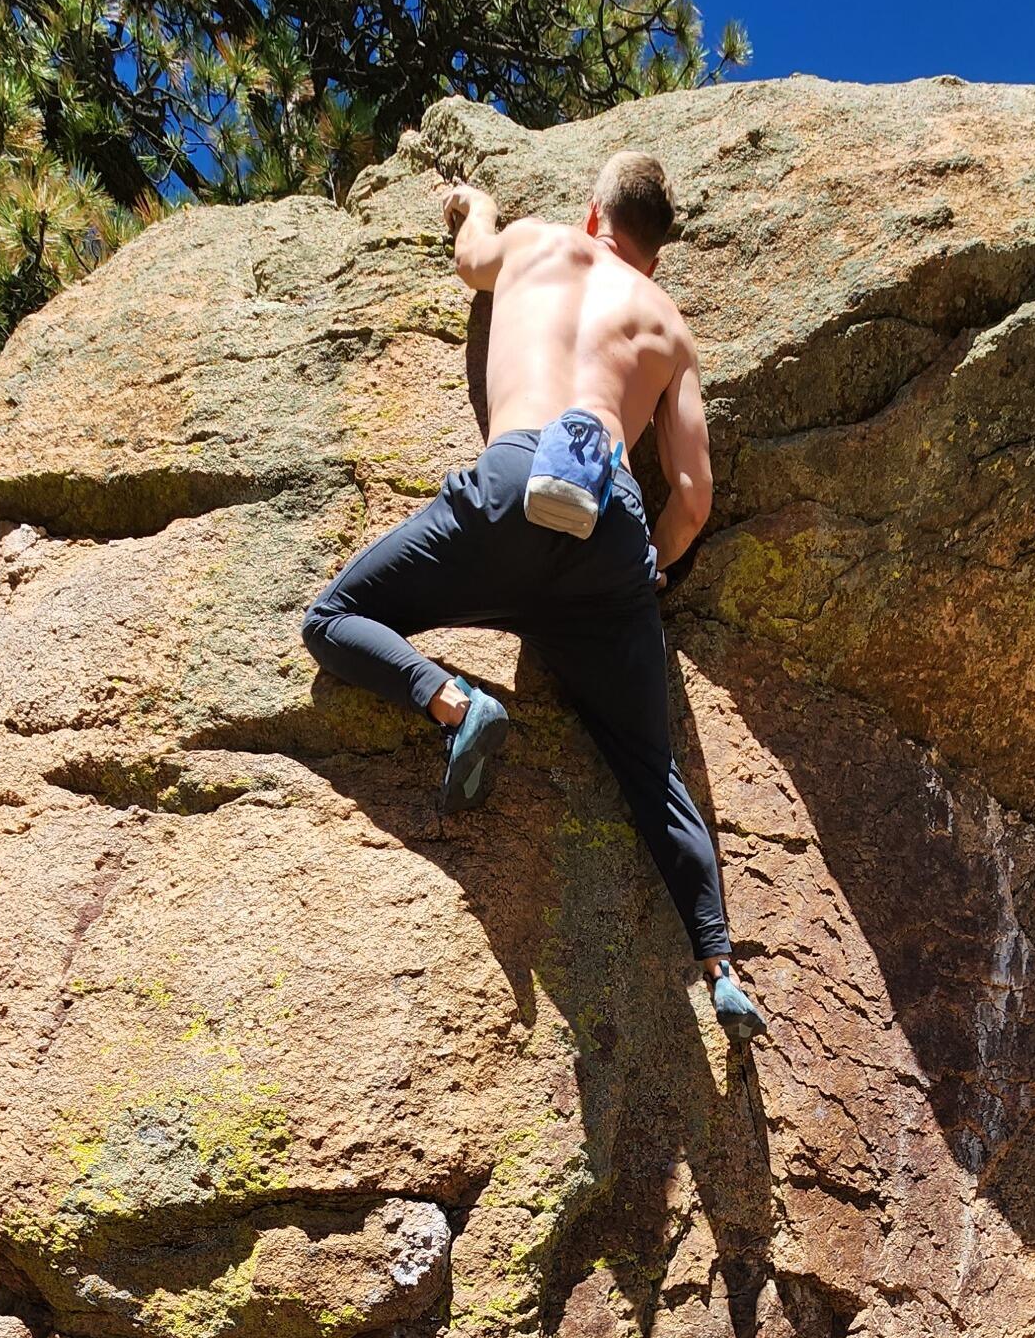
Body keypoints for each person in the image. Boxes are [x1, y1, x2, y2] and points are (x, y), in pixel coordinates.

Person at [301, 151, 767, 1040]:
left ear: (593, 215)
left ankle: (451, 702)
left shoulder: (534, 242)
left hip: (515, 483)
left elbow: (468, 256)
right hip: (608, 534)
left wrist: (470, 203)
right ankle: (719, 969)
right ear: (653, 254)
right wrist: (648, 573)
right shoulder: (668, 326)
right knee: (649, 770)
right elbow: (693, 497)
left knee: (332, 619)